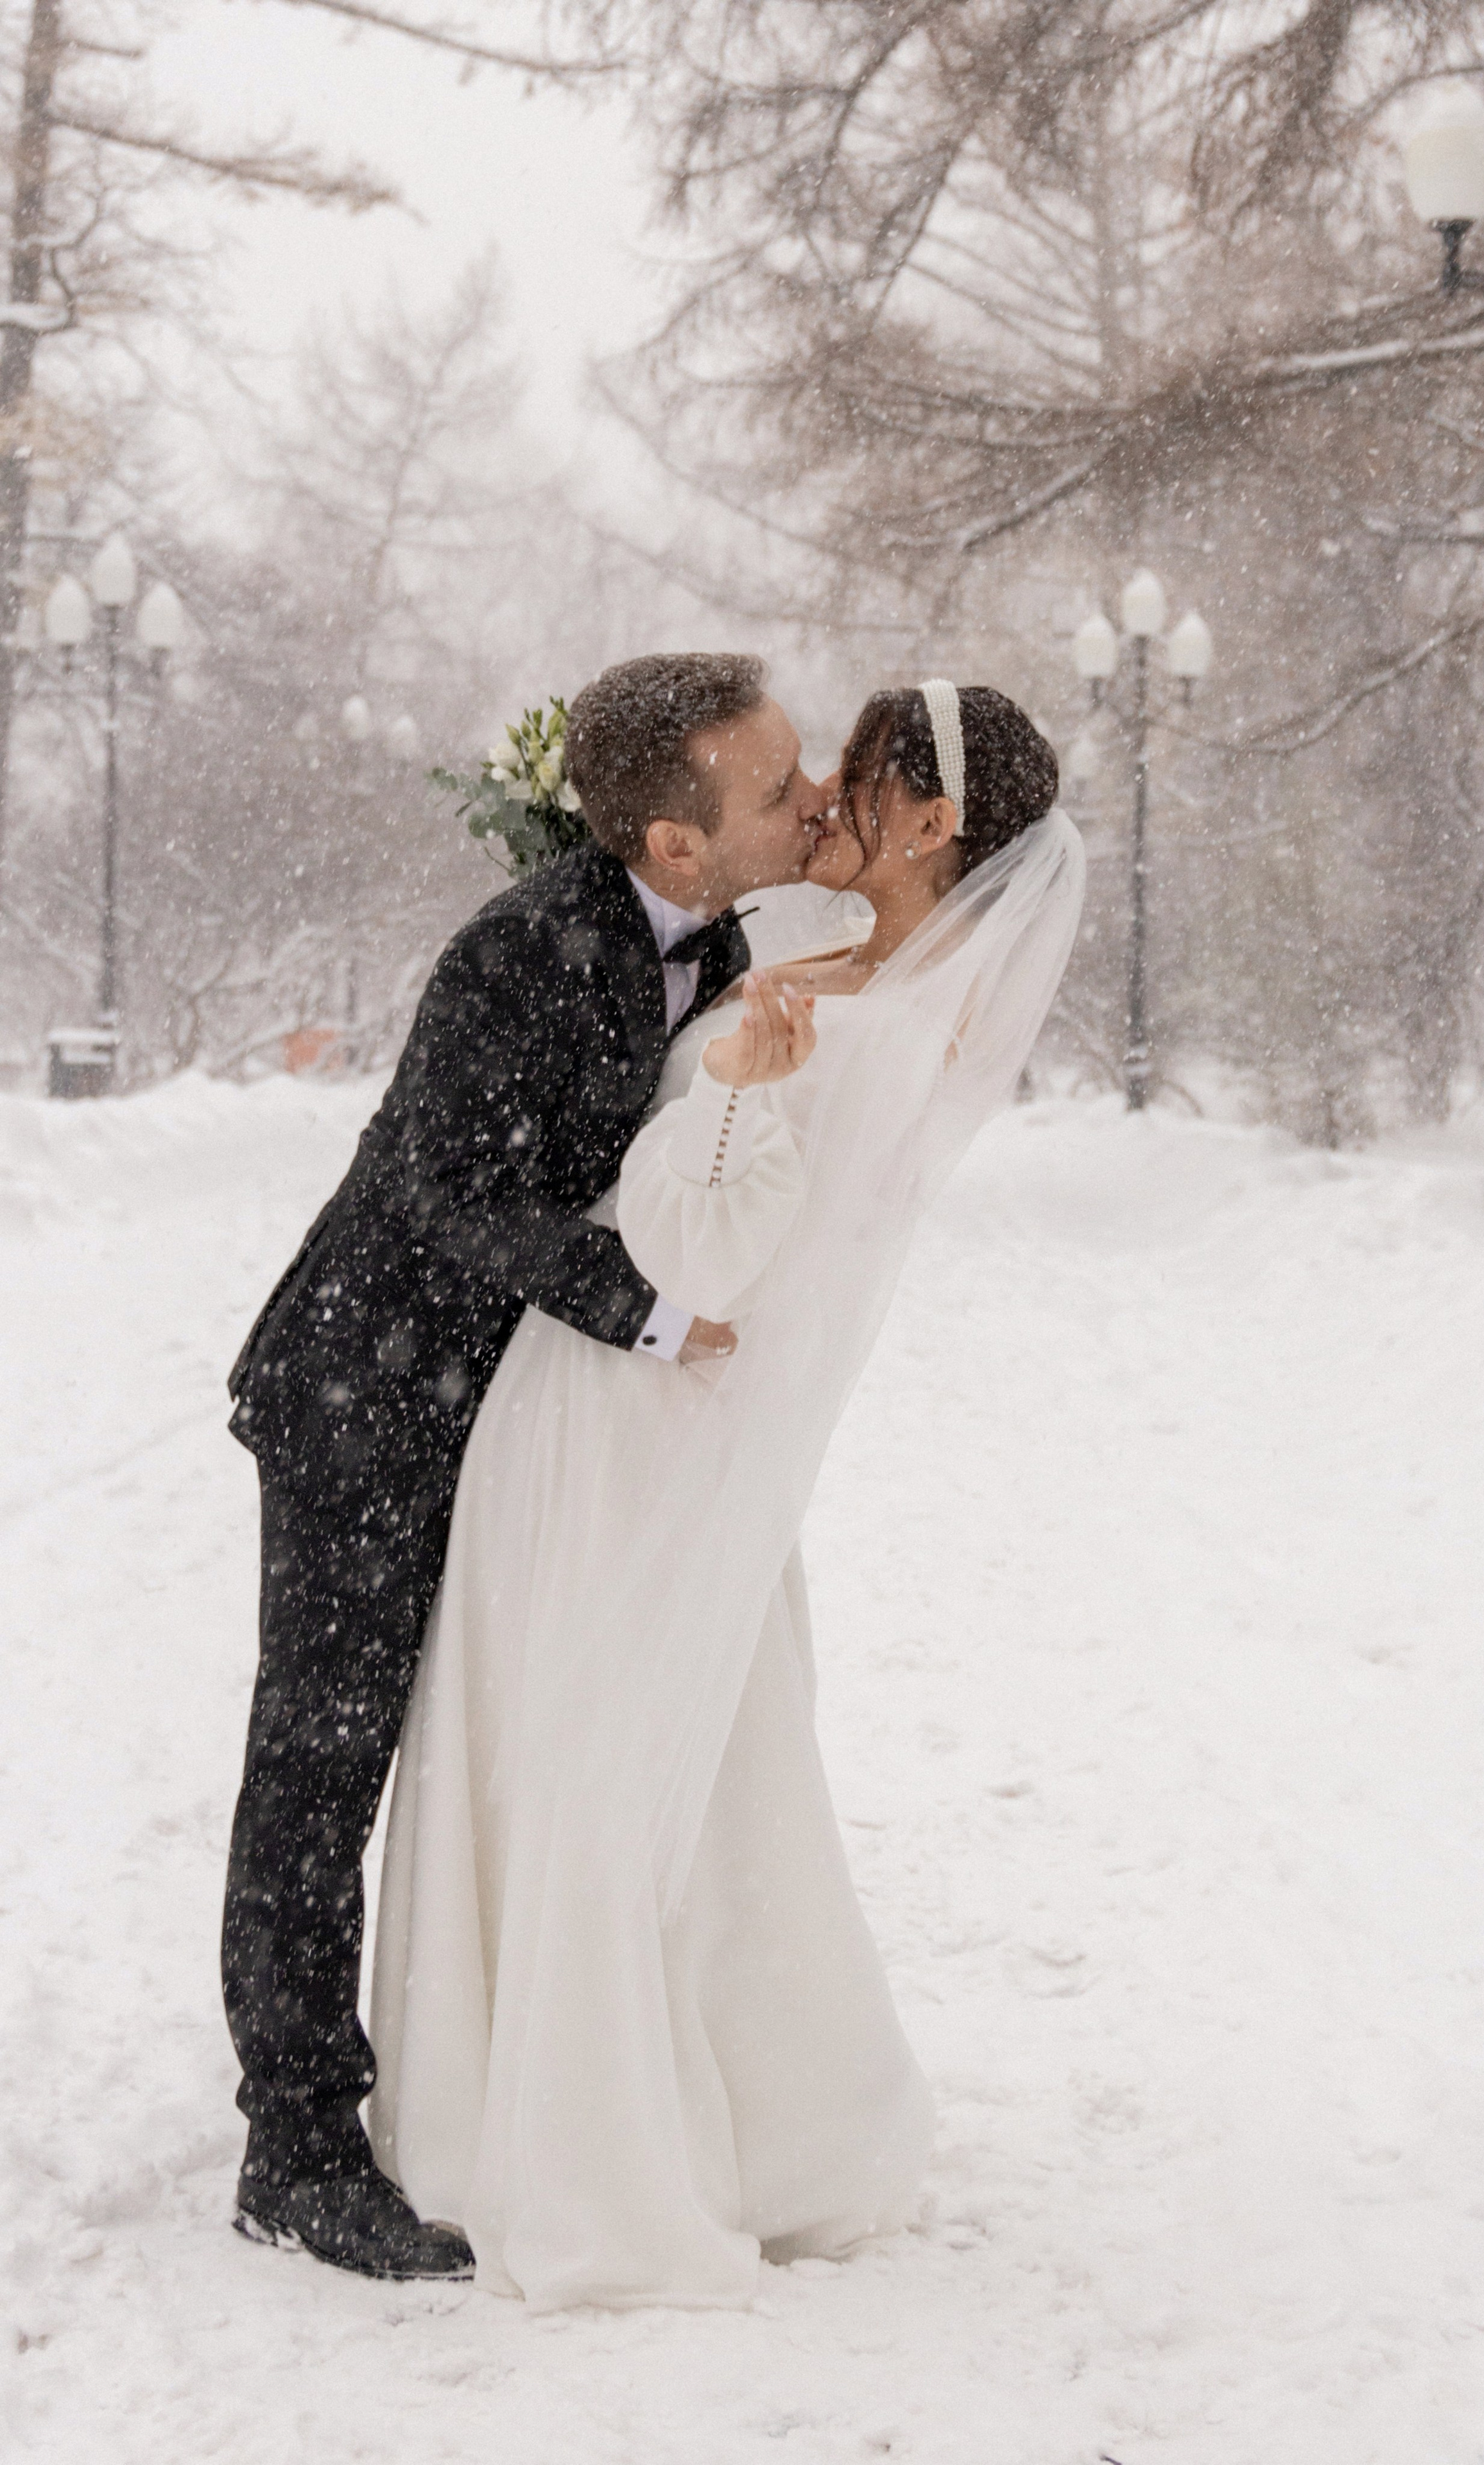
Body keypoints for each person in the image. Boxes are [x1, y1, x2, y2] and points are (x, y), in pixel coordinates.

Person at [367, 680, 1085, 2308]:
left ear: (925, 822)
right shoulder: (874, 982)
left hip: (625, 1436)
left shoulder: (864, 1026)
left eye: (857, 768)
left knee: (581, 1776)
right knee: (677, 1774)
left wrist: (747, 1079)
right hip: (655, 1430)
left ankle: (587, 2148)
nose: (822, 785)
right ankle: (774, 2120)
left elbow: (699, 1252)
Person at [221, 653, 829, 2280]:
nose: (811, 795)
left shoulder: (721, 935)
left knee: (476, 1750)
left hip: (494, 1417)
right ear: (673, 843)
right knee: (321, 1766)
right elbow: (447, 1196)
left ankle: (473, 2079)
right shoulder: (516, 956)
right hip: (367, 1396)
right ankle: (293, 2148)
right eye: (776, 788)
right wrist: (654, 1308)